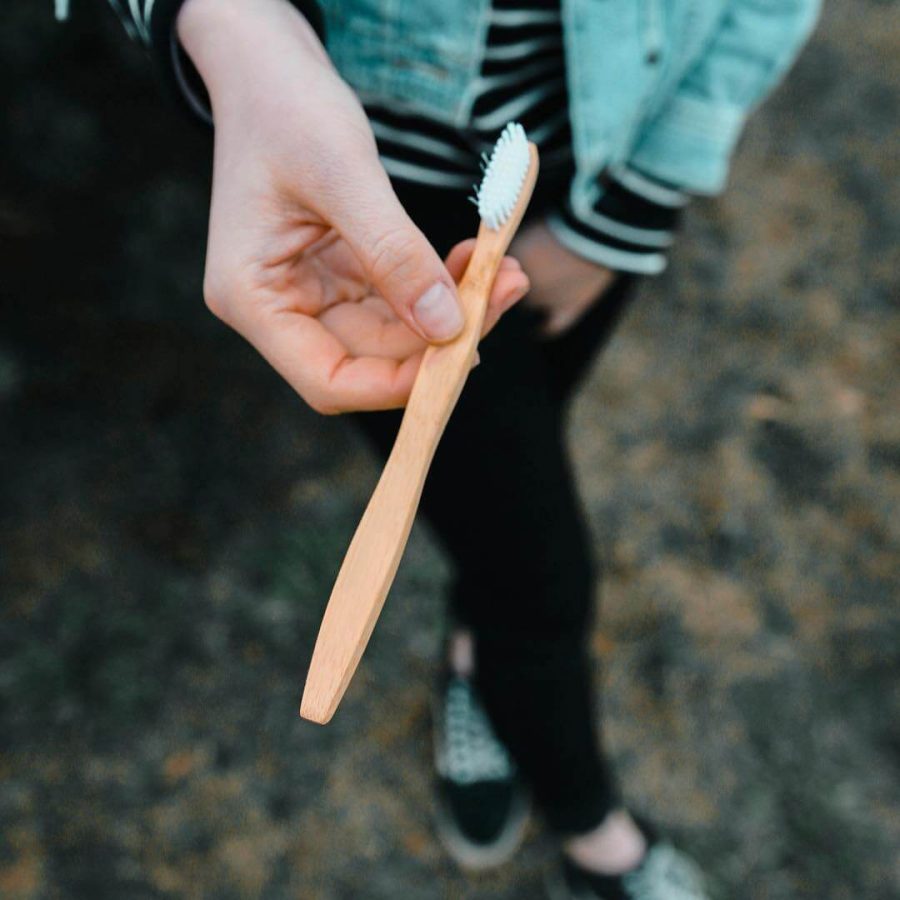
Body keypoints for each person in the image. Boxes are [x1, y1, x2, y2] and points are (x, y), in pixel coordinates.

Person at [70, 0, 820, 895]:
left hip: (607, 161)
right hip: (354, 189)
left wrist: (625, 214)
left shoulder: (617, 196)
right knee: (538, 577)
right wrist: (234, 31)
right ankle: (595, 832)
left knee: (517, 474)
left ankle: (476, 655)